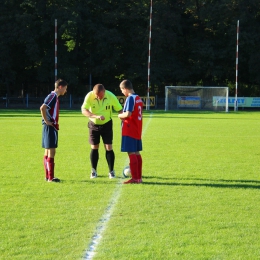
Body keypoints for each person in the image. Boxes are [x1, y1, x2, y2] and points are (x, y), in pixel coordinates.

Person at [81, 84, 122, 179]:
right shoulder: (90, 96)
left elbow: (119, 109)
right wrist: (96, 116)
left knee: (108, 147)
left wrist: (125, 120)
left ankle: (111, 171)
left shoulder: (111, 96)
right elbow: (84, 110)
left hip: (107, 124)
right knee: (94, 147)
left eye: (99, 95)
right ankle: (93, 171)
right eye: (96, 95)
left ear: (104, 91)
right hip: (93, 124)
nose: (98, 97)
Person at [40, 79, 68, 182]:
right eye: (65, 88)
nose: (65, 91)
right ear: (60, 87)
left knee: (48, 151)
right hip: (50, 126)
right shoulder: (52, 96)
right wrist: (47, 121)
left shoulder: (54, 97)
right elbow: (42, 108)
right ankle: (50, 177)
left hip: (51, 126)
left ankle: (48, 176)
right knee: (51, 151)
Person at [118, 79, 143, 184]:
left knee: (131, 153)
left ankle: (135, 178)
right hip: (137, 129)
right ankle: (139, 177)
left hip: (130, 129)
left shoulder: (130, 98)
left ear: (125, 88)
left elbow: (128, 114)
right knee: (137, 153)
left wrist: (120, 115)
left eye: (122, 90)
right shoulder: (138, 98)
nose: (122, 92)